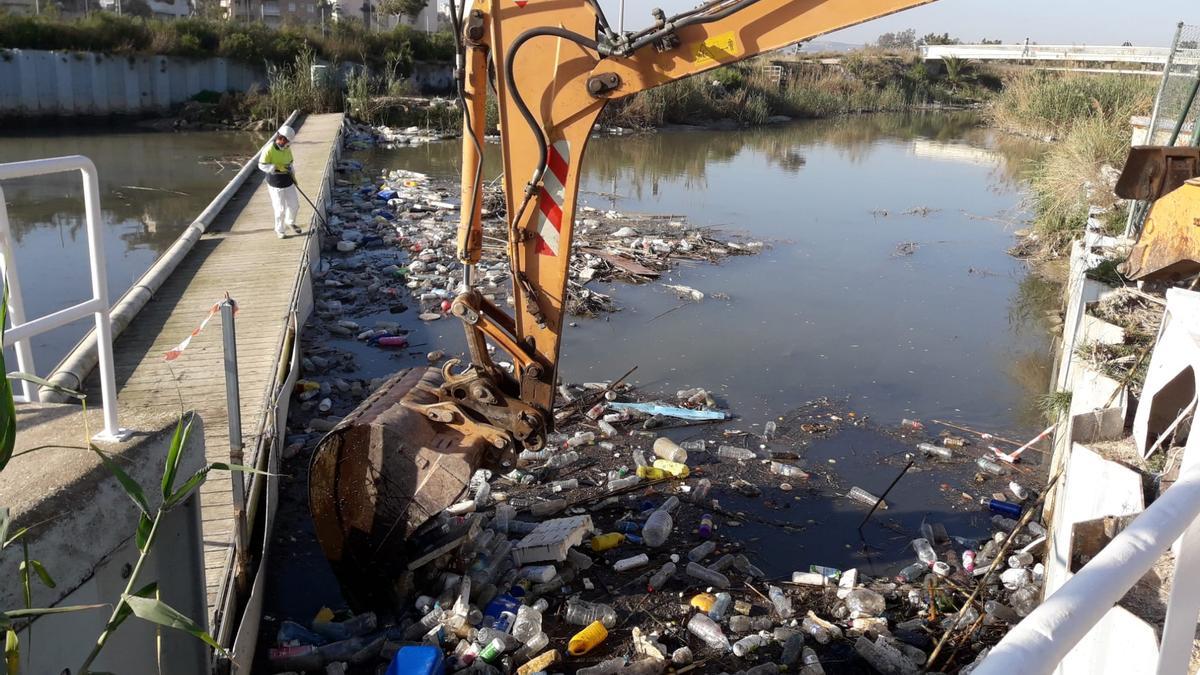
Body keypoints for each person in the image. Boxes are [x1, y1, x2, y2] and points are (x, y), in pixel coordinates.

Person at [259, 125, 301, 238]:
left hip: (288, 180)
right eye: (287, 141)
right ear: (281, 138)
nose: (288, 144)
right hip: (275, 183)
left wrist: (292, 174)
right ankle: (280, 230)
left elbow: (290, 163)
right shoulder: (268, 149)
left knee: (295, 205)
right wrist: (275, 168)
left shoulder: (287, 148)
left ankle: (290, 222)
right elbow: (261, 165)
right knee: (280, 209)